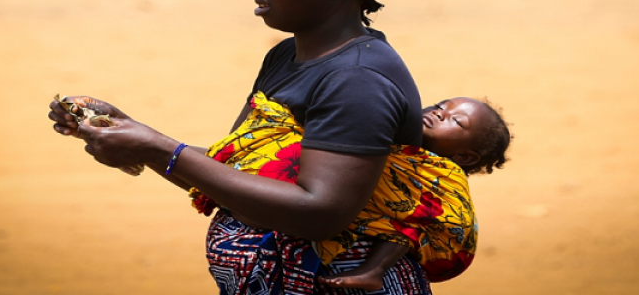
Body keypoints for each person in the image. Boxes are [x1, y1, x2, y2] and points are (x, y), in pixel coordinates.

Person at [49, 0, 443, 295]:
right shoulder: (286, 56)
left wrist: (158, 148)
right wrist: (129, 132)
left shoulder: (356, 79)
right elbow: (235, 173)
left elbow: (320, 212)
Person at [187, 92, 510, 290]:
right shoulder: (392, 140)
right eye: (441, 105)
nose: (439, 113)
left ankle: (373, 270)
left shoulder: (442, 173)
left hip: (421, 234)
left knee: (407, 228)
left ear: (466, 156)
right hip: (327, 225)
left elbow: (447, 219)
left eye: (456, 121)